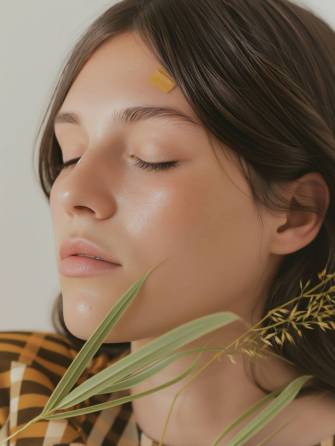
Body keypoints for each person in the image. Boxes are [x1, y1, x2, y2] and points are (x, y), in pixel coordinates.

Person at [1, 0, 335, 444]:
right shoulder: (16, 389)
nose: (73, 194)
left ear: (296, 212)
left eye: (152, 156)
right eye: (71, 154)